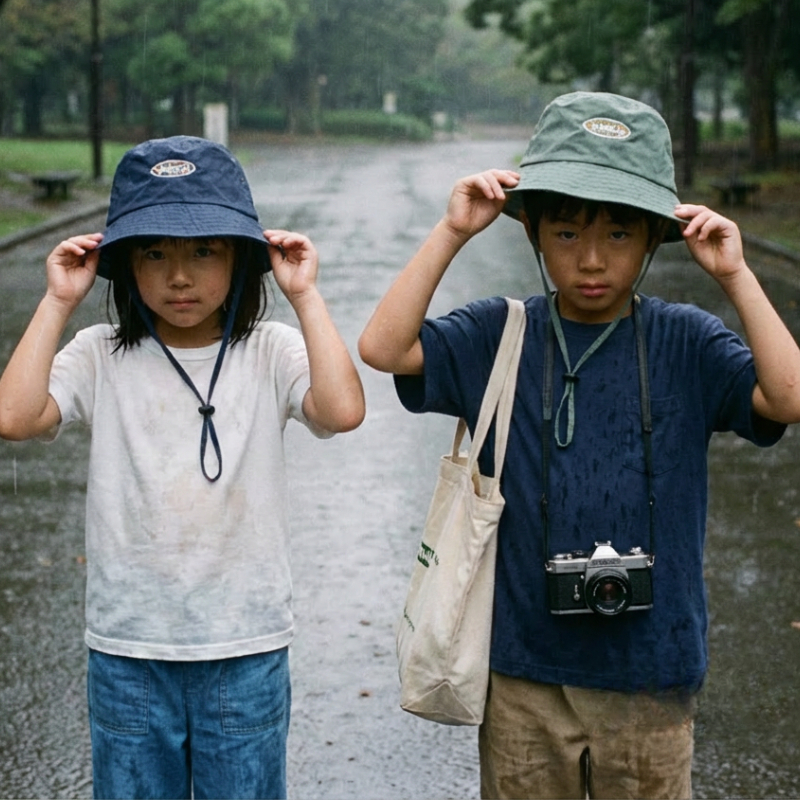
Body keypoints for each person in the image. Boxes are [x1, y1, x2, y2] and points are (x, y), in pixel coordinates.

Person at [358, 92, 800, 799]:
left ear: (655, 237)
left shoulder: (686, 341)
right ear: (532, 232)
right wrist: (452, 231)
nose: (591, 260)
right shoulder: (498, 334)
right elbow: (384, 347)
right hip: (524, 674)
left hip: (653, 675)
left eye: (620, 236)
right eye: (565, 234)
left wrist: (736, 275)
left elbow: (788, 397)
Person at [0, 135, 365, 800]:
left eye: (204, 250)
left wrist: (306, 297)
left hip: (245, 644)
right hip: (129, 648)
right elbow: (17, 417)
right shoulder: (100, 354)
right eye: (154, 252)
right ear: (126, 266)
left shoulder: (269, 350)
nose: (178, 275)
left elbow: (340, 411)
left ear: (239, 257)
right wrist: (57, 302)